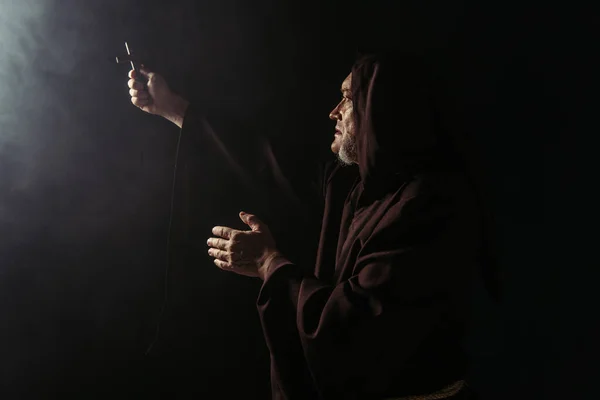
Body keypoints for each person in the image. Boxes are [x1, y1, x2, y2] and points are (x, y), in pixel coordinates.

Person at [127, 53, 488, 399]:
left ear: (383, 110)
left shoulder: (430, 204)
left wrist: (269, 264)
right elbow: (264, 159)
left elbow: (358, 326)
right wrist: (173, 107)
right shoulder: (357, 187)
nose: (334, 112)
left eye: (347, 99)